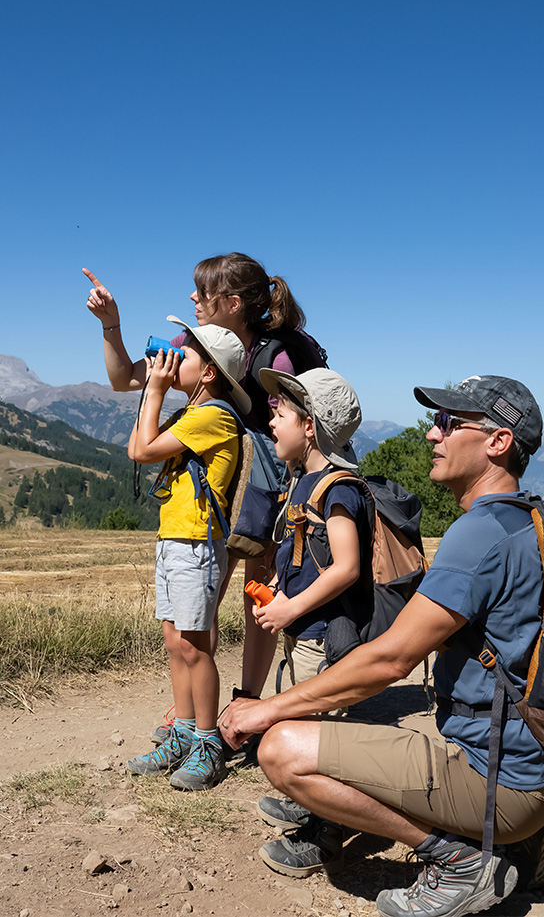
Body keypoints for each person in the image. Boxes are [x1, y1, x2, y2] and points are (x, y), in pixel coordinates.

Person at [221, 375, 544, 917]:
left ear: (498, 442)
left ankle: (460, 861)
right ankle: (524, 833)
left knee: (281, 750)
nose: (432, 434)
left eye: (449, 423)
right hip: (543, 770)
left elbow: (390, 660)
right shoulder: (531, 520)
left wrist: (266, 710)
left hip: (498, 780)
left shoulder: (479, 535)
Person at [83, 254, 326, 704]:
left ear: (233, 303)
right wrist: (110, 325)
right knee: (204, 597)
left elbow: (305, 427)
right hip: (220, 483)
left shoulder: (278, 355)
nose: (193, 297)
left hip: (268, 486)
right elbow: (124, 379)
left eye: (203, 291)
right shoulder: (193, 342)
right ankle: (196, 709)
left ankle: (245, 702)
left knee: (258, 595)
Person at [125, 317, 252, 790]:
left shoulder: (215, 415)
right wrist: (154, 391)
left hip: (197, 542)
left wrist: (156, 388)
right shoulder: (189, 413)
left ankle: (207, 743)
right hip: (175, 538)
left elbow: (143, 452)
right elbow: (139, 446)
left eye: (186, 353)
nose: (174, 356)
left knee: (196, 647)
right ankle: (181, 732)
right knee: (175, 643)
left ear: (209, 373)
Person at [253, 366, 368, 691]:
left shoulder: (338, 489)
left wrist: (290, 609)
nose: (272, 421)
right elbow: (300, 549)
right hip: (300, 629)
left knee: (315, 718)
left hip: (320, 637)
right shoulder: (303, 480)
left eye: (281, 415)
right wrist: (277, 588)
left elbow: (347, 568)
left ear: (308, 427)